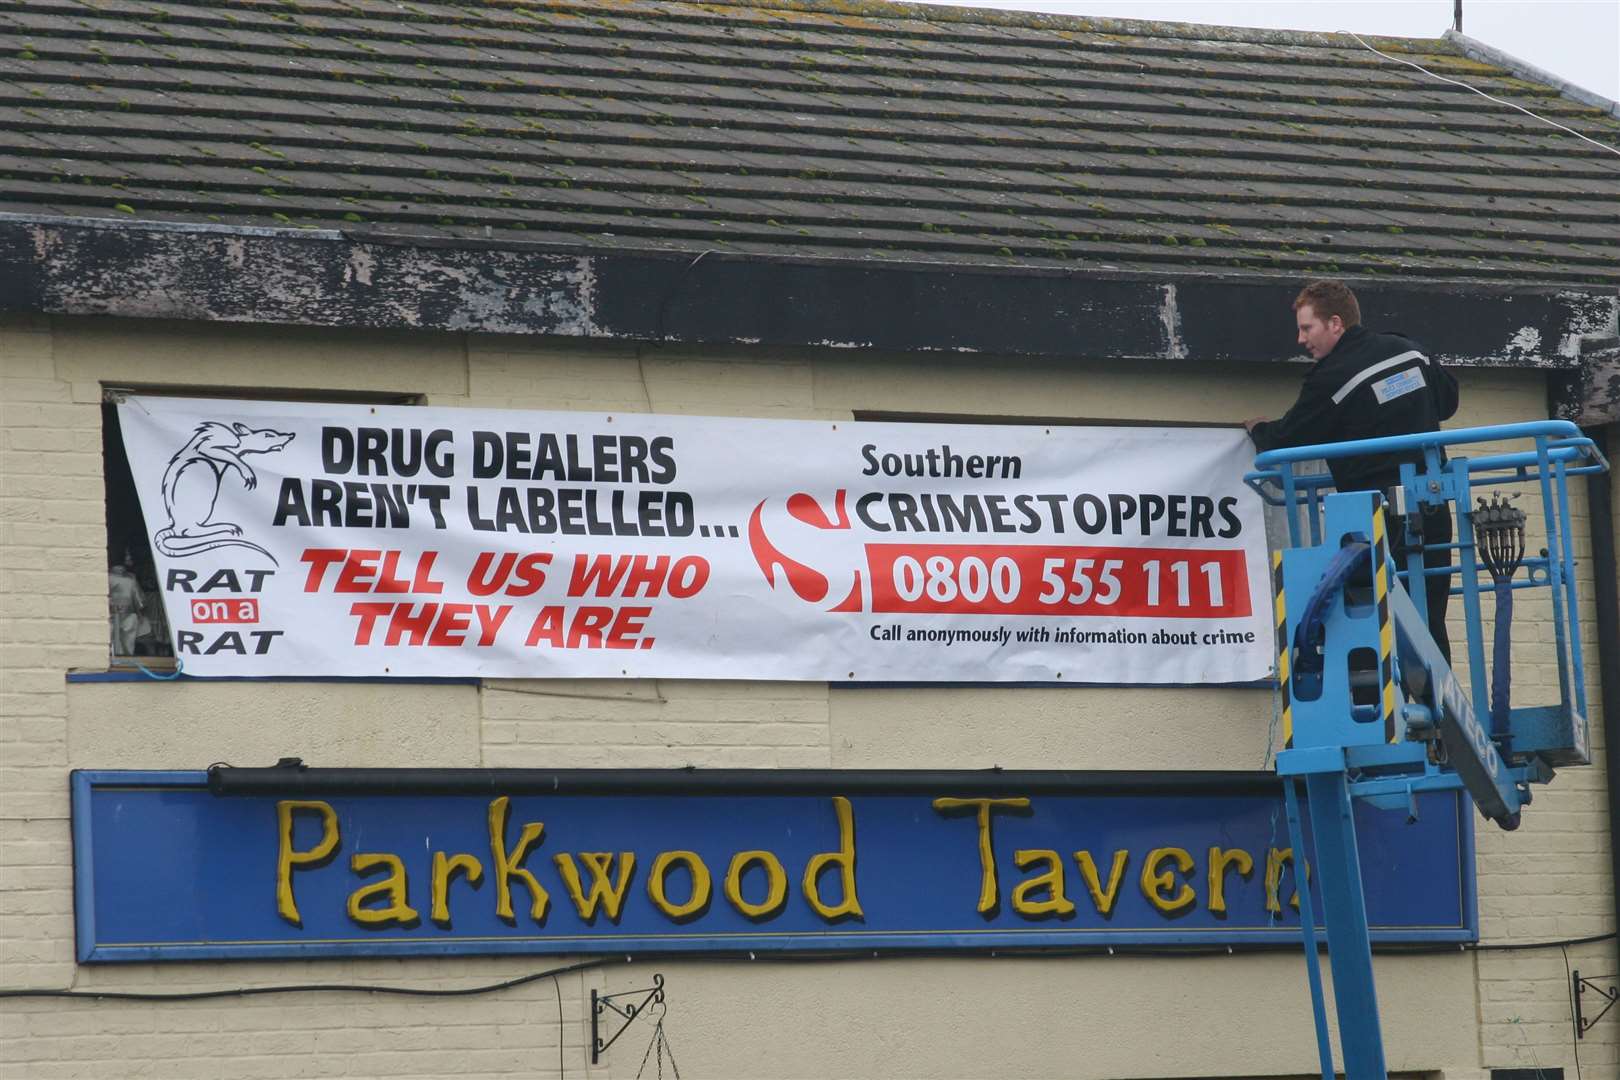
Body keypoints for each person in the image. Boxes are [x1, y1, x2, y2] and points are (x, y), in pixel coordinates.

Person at [1245, 280, 1460, 661]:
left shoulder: (1332, 377)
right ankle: (1435, 711)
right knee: (1428, 621)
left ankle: (1385, 705)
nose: (1300, 339)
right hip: (1432, 506)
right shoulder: (1409, 352)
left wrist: (1257, 429)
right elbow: (1447, 402)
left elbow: (1288, 439)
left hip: (1375, 517)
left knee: (1363, 618)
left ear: (1336, 324)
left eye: (1306, 327)